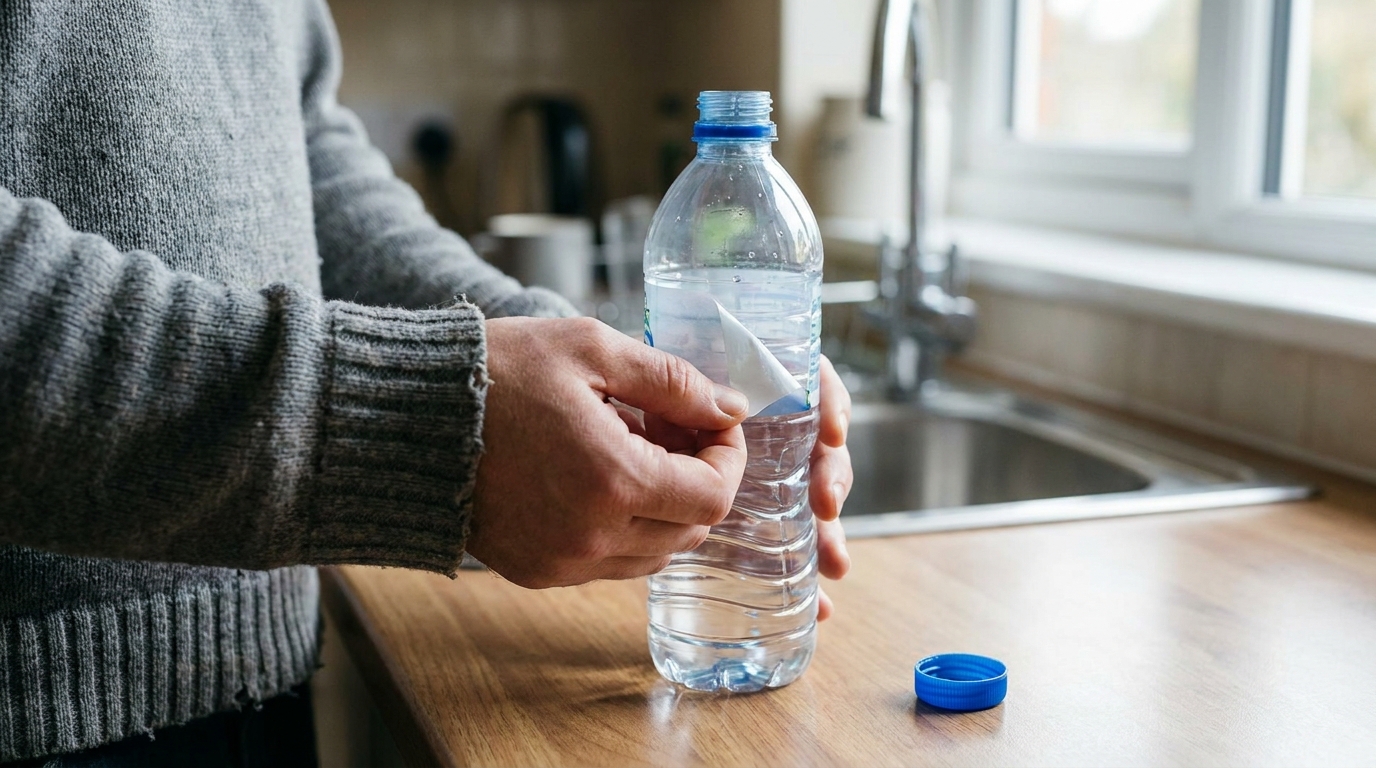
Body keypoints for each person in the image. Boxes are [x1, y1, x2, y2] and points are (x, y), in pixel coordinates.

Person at [0, 0, 855, 765]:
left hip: (251, 667)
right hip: (31, 707)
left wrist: (611, 372)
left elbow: (306, 164)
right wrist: (441, 420)